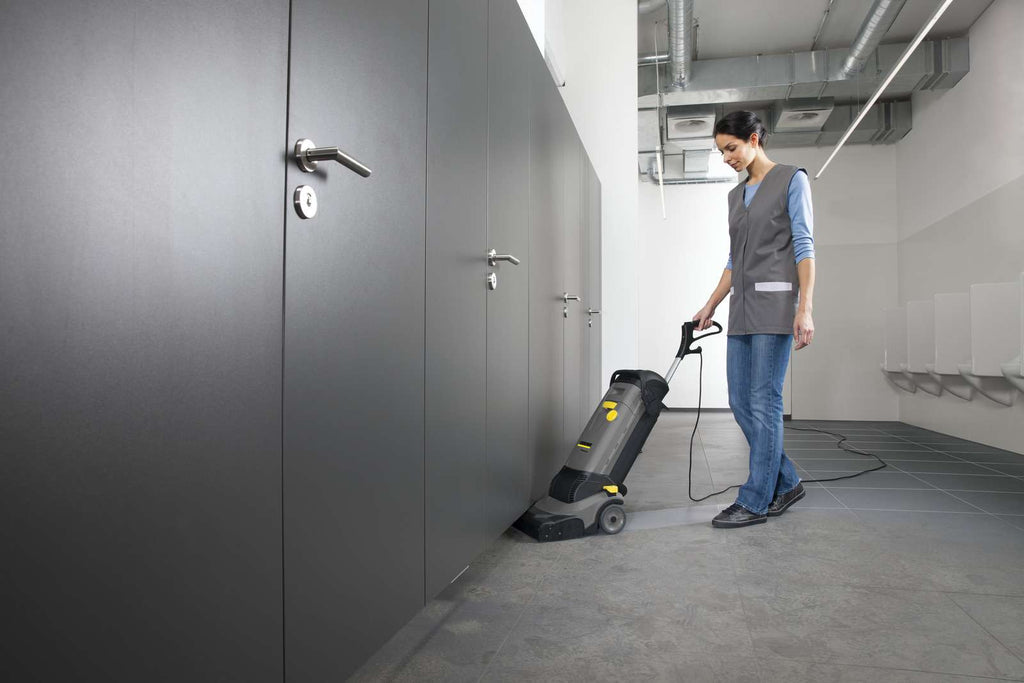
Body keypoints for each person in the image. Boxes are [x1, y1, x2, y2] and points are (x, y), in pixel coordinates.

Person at [692, 110, 816, 529]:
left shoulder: (791, 179)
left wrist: (805, 308)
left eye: (732, 148)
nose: (727, 157)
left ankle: (756, 500)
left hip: (776, 306)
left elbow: (804, 245)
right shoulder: (735, 197)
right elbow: (734, 259)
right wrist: (710, 304)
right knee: (740, 402)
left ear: (754, 139)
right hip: (741, 308)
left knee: (765, 402)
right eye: (722, 152)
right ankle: (788, 481)